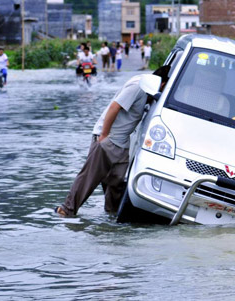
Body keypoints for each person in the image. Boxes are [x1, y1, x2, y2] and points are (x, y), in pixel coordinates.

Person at [55, 66, 171, 217]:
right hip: (108, 140)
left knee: (116, 184)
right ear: (161, 84)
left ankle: (112, 218)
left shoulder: (149, 93)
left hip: (122, 144)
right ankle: (66, 210)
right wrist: (103, 136)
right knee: (89, 178)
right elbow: (114, 107)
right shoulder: (138, 86)